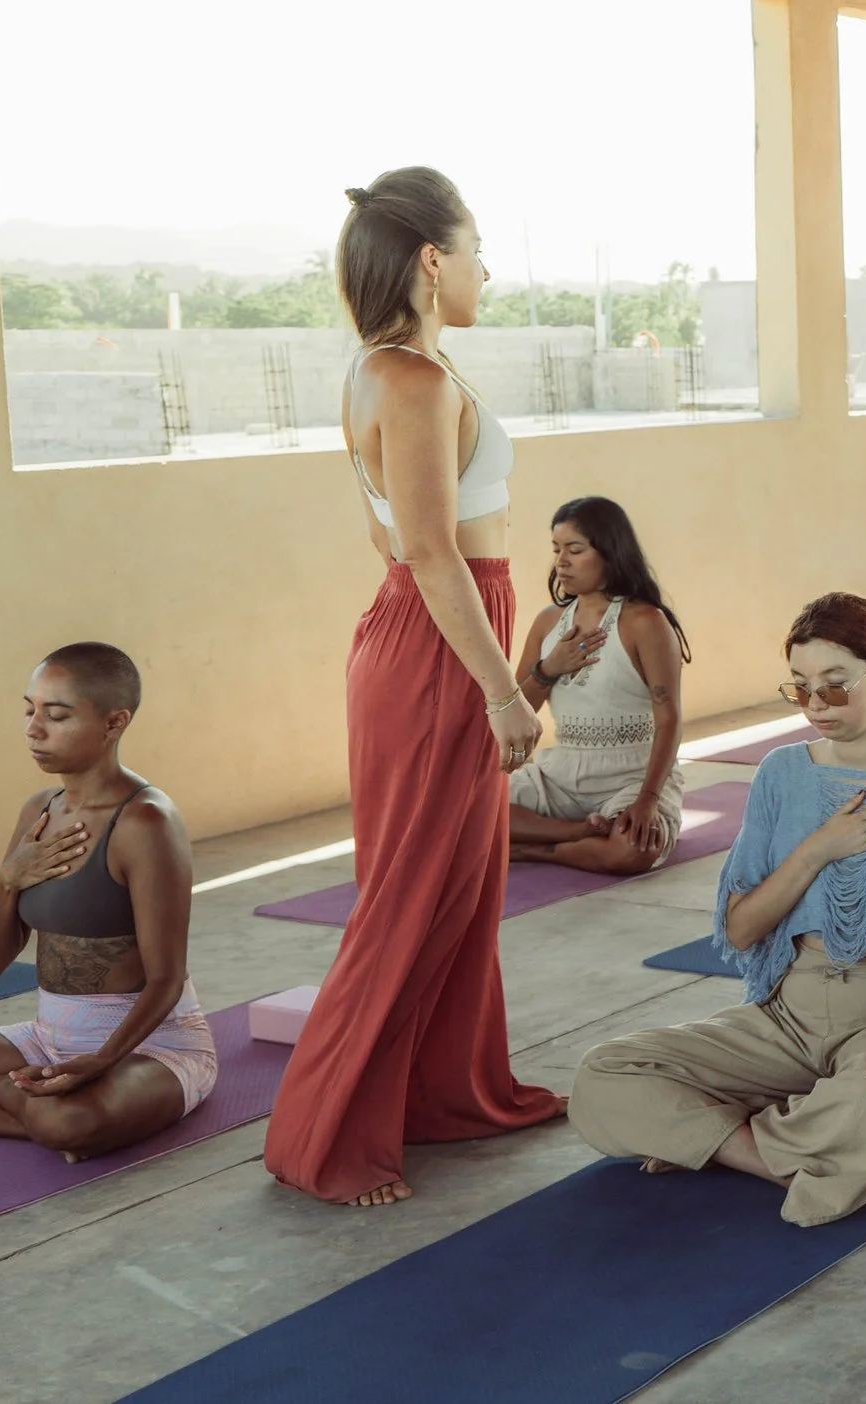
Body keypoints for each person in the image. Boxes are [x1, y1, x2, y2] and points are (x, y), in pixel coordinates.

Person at [263, 168, 564, 1208]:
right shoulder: (416, 381)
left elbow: (391, 539)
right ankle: (328, 1138)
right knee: (410, 895)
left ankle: (441, 1097)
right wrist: (504, 694)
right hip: (437, 646)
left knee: (458, 889)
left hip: (413, 632)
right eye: (476, 250)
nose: (488, 270)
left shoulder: (379, 372)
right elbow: (435, 554)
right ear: (435, 262)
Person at [570, 593, 866, 1227]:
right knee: (601, 1077)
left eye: (834, 686)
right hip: (785, 1016)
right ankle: (786, 1159)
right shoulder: (780, 774)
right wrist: (817, 851)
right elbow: (743, 930)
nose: (817, 706)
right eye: (801, 689)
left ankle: (722, 1136)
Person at [0, 645, 213, 1161]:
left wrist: (104, 1059)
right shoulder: (38, 810)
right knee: (51, 1116)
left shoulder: (146, 822)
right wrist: (6, 880)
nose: (33, 729)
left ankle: (41, 1112)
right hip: (47, 1036)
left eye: (57, 714)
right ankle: (36, 1112)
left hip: (151, 1046)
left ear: (114, 723)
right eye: (30, 710)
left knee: (68, 1119)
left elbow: (166, 980)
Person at [506, 497, 690, 873]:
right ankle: (577, 834)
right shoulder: (547, 622)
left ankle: (529, 849)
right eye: (556, 550)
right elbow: (513, 711)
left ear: (610, 552)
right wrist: (549, 668)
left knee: (632, 850)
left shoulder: (645, 621)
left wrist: (647, 799)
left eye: (575, 549)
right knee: (461, 809)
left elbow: (669, 720)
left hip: (632, 776)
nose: (561, 561)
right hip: (561, 775)